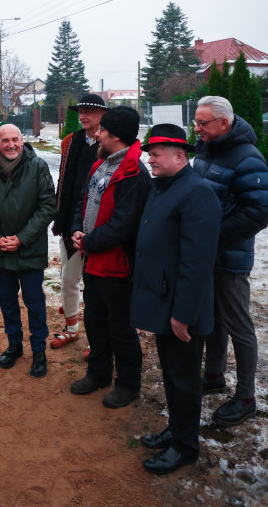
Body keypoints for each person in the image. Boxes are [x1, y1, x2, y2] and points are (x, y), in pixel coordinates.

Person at [132, 124, 221, 475]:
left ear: (179, 155)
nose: (149, 160)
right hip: (163, 298)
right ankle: (176, 428)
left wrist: (182, 314)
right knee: (172, 374)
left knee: (184, 379)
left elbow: (197, 263)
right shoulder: (164, 186)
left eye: (155, 155)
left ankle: (185, 447)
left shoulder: (197, 193)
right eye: (149, 154)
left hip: (183, 307)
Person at [193, 96, 268, 426]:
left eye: (203, 123)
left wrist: (214, 237)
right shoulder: (207, 150)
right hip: (207, 253)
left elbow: (259, 211)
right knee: (213, 318)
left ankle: (246, 396)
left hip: (229, 256)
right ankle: (214, 376)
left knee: (238, 324)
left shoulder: (248, 159)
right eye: (196, 122)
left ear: (224, 123)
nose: (197, 128)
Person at [70, 106, 150, 408]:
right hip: (93, 260)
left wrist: (88, 241)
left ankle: (128, 384)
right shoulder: (99, 165)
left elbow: (123, 225)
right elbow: (83, 200)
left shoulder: (134, 175)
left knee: (120, 328)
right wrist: (78, 229)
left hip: (117, 267)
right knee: (95, 320)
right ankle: (98, 373)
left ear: (115, 135)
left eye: (102, 130)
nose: (97, 134)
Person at [0, 124, 55, 378]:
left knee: (34, 302)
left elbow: (47, 205)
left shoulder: (38, 166)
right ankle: (14, 346)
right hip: (0, 251)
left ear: (22, 140)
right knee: (7, 302)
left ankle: (39, 351)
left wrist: (22, 238)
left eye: (15, 139)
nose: (11, 145)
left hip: (30, 248)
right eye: (5, 140)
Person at [51, 93, 107, 350]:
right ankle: (72, 327)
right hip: (70, 221)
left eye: (90, 112)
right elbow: (64, 182)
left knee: (96, 286)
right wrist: (60, 217)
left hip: (98, 225)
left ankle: (98, 340)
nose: (83, 116)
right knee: (68, 277)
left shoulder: (109, 143)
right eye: (81, 111)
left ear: (103, 115)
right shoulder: (70, 142)